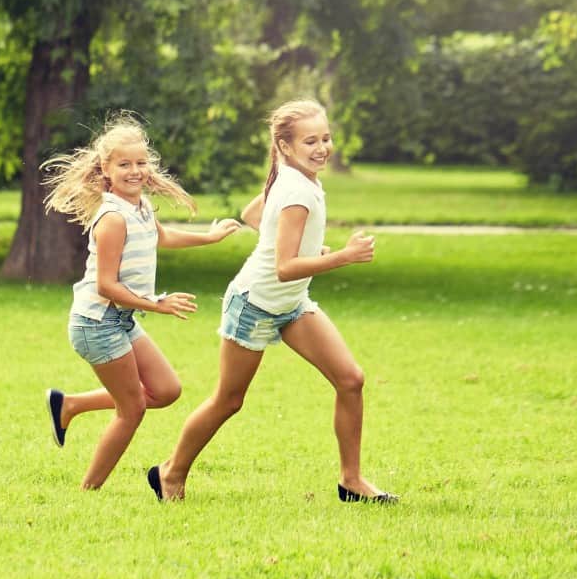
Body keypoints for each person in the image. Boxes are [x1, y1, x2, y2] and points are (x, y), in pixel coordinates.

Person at [147, 99, 398, 504]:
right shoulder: (297, 190)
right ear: (285, 146)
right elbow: (284, 267)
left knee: (350, 380)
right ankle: (170, 472)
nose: (322, 148)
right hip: (255, 306)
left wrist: (309, 246)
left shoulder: (295, 177)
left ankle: (351, 482)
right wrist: (341, 257)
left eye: (326, 138)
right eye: (310, 141)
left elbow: (252, 213)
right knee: (229, 401)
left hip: (292, 304)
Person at [43, 114, 241, 489]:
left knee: (166, 390)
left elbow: (160, 236)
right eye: (124, 165)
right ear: (106, 168)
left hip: (120, 321)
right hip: (97, 323)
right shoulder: (113, 217)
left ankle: (69, 405)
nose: (135, 171)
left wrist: (209, 237)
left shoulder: (141, 206)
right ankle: (89, 490)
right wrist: (157, 304)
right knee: (131, 409)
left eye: (140, 163)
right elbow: (105, 286)